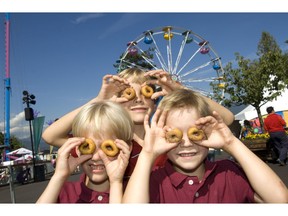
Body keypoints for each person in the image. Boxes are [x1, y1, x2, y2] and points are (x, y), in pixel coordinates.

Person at [42, 68, 234, 179]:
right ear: (115, 100)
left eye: (146, 93)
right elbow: (50, 136)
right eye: (130, 94)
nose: (139, 100)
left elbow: (226, 119)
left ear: (154, 99)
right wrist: (99, 99)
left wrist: (181, 90)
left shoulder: (172, 136)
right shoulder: (111, 143)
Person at [123, 89, 288, 203]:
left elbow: (280, 200)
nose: (186, 143)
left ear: (207, 133)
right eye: (175, 135)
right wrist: (148, 154)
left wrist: (231, 143)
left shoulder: (228, 172)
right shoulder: (153, 180)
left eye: (195, 133)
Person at [36, 101, 134, 203]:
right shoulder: (62, 193)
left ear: (127, 148)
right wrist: (59, 176)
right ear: (78, 150)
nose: (96, 157)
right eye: (86, 146)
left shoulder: (134, 194)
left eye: (108, 148)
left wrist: (116, 184)